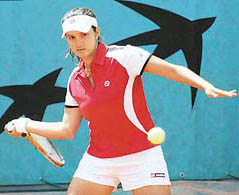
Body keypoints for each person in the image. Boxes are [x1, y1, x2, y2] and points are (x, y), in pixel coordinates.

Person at [4, 7, 237, 195]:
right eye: (71, 37)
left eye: (84, 34)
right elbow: (67, 129)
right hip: (99, 159)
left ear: (96, 32)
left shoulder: (125, 56)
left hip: (142, 156)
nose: (78, 42)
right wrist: (25, 125)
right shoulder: (74, 80)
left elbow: (174, 70)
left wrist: (206, 86)